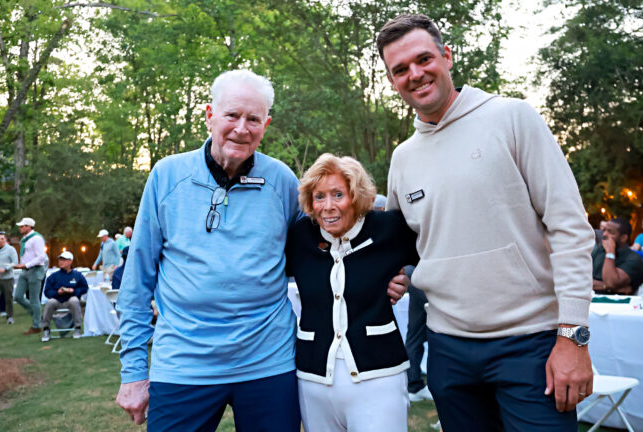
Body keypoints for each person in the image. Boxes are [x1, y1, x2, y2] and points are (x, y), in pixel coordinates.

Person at [115, 70, 408, 431]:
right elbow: (137, 279)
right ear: (209, 115)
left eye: (253, 119)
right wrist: (132, 371)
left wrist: (386, 270)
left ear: (265, 124)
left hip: (268, 364)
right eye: (232, 116)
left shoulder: (281, 180)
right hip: (183, 364)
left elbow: (333, 220)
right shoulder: (166, 176)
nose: (242, 128)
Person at [377, 14, 594, 430]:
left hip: (531, 346)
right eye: (400, 69)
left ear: (447, 56)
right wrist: (388, 277)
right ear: (391, 81)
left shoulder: (512, 118)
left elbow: (569, 228)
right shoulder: (403, 158)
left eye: (424, 59)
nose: (415, 74)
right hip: (447, 351)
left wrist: (573, 337)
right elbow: (400, 248)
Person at [286, 154, 418, 432]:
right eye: (319, 196)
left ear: (356, 196)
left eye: (338, 194)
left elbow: (434, 251)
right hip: (313, 378)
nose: (328, 206)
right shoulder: (300, 236)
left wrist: (404, 274)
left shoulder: (388, 228)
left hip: (379, 377)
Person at [41, 251, 88, 342]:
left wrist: (74, 291)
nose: (60, 262)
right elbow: (47, 291)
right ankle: (46, 329)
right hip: (57, 300)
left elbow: (84, 288)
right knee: (50, 302)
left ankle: (77, 328)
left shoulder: (77, 275)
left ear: (70, 261)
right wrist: (57, 293)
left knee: (74, 300)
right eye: (60, 259)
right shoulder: (53, 276)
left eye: (63, 260)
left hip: (70, 300)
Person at [13, 217, 48, 335]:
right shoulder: (25, 239)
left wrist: (25, 265)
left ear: (29, 226)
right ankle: (37, 315)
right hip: (25, 270)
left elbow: (41, 257)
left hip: (35, 270)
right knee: (18, 296)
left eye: (22, 226)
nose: (20, 228)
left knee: (34, 299)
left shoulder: (37, 238)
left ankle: (36, 326)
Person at [592, 218, 643, 295]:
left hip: (622, 304)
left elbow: (611, 282)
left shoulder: (633, 258)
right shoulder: (598, 251)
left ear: (623, 238)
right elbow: (582, 281)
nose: (604, 234)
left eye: (610, 232)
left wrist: (610, 253)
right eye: (604, 230)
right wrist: (607, 286)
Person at [403, 265, 432, 402]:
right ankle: (414, 385)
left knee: (415, 336)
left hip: (415, 273)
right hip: (422, 274)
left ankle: (414, 385)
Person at [0, 232, 18, 326]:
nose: (0, 240)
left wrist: (5, 269)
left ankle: (10, 316)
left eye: (2, 239)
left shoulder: (11, 249)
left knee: (8, 298)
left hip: (8, 278)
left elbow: (15, 262)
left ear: (5, 240)